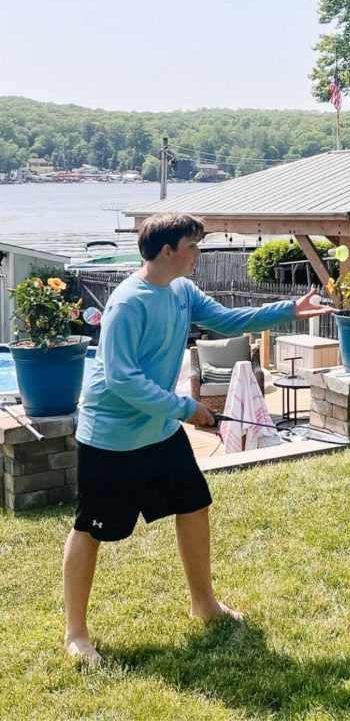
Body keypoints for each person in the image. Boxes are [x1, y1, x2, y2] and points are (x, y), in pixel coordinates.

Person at [62, 212, 334, 666]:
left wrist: (287, 309)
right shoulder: (128, 302)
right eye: (193, 246)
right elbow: (122, 378)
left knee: (193, 503)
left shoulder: (181, 291)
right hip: (111, 434)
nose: (199, 254)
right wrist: (187, 408)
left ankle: (203, 603)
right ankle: (75, 633)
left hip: (160, 430)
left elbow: (227, 320)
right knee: (92, 526)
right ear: (168, 250)